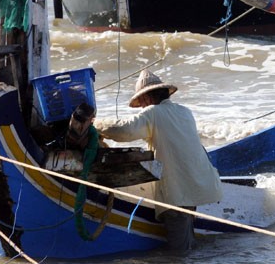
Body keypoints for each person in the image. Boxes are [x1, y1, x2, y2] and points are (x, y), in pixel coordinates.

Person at [94, 70, 222, 251]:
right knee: (187, 238)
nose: (141, 108)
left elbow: (124, 131)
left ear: (146, 98)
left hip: (177, 191)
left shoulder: (153, 113)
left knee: (179, 252)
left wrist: (95, 124)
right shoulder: (185, 112)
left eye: (141, 104)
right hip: (195, 185)